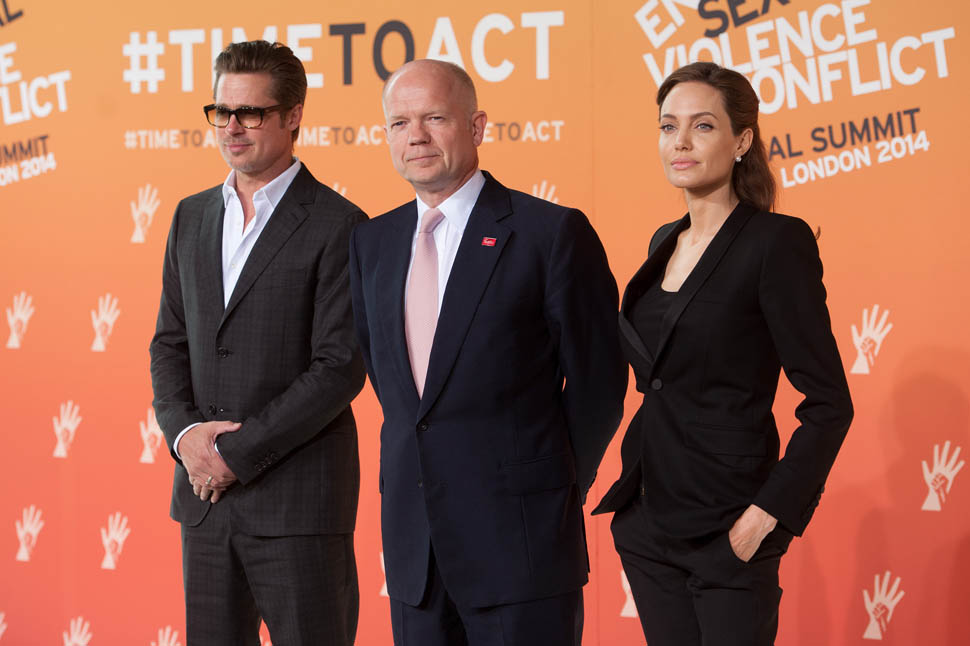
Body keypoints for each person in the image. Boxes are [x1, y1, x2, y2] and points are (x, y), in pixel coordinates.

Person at [349, 59, 627, 646]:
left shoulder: (550, 233)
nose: (415, 136)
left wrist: (551, 487)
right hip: (415, 556)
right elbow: (394, 385)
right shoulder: (372, 241)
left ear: (476, 127)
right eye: (399, 123)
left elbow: (599, 385)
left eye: (434, 118)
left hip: (521, 546)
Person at [592, 61, 854, 646]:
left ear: (741, 141)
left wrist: (766, 517)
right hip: (648, 521)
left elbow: (830, 403)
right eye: (668, 126)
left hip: (729, 526)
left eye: (702, 126)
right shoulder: (664, 241)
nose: (680, 142)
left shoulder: (775, 243)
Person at [149, 40, 366, 646]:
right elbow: (168, 343)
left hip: (297, 506)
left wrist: (232, 456)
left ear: (294, 116)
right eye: (222, 111)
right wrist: (187, 439)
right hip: (203, 503)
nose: (232, 127)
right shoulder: (190, 216)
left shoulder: (340, 223)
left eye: (250, 112)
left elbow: (338, 367)